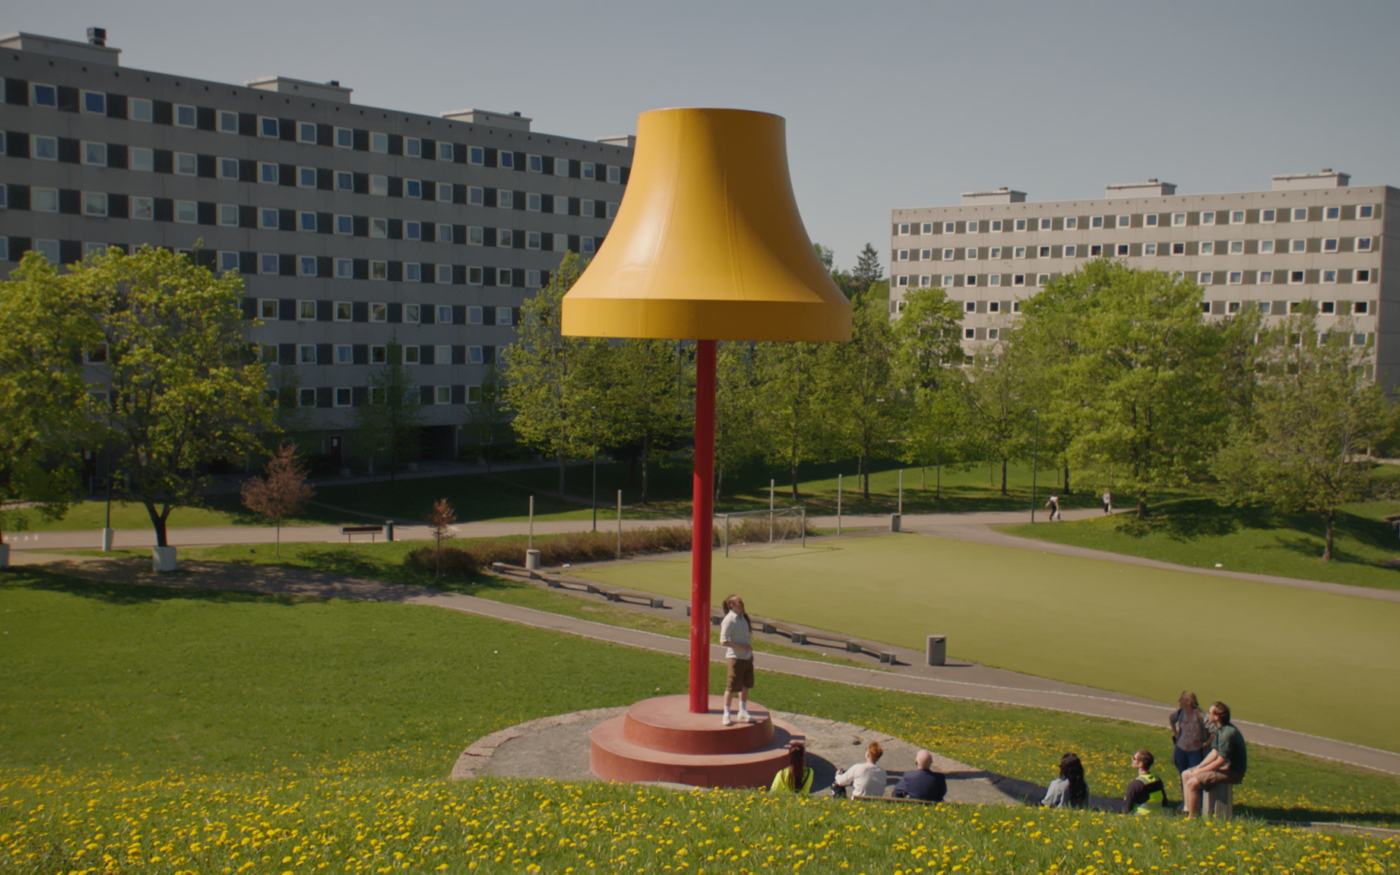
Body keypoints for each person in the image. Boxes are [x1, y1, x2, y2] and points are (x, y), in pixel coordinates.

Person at [1182, 701, 1247, 818]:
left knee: (1192, 783)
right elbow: (1214, 752)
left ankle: (1192, 818)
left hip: (1233, 771)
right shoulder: (1219, 729)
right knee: (1186, 774)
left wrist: (1199, 772)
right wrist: (1200, 767)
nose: (1207, 715)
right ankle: (1187, 810)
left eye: (1209, 712)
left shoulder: (1228, 733)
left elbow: (1220, 761)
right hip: (1223, 767)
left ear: (1217, 717)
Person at [718, 594, 753, 727]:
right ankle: (726, 714)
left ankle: (742, 711)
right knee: (731, 686)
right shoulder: (728, 620)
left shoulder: (743, 617)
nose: (742, 603)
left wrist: (747, 650)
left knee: (745, 684)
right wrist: (741, 647)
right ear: (731, 605)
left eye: (741, 601)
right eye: (739, 602)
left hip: (747, 657)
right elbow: (723, 641)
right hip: (735, 658)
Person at [1169, 691, 1211, 777]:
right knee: (1183, 776)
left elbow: (1213, 731)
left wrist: (1205, 744)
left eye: (1181, 699)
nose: (1179, 700)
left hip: (1194, 751)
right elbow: (1171, 719)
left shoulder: (1200, 716)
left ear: (1189, 702)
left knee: (1195, 776)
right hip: (1181, 749)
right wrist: (1176, 733)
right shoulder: (1181, 712)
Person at [1122, 750, 1170, 815]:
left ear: (1141, 764)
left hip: (1141, 816)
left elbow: (1126, 809)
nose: (1131, 759)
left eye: (1134, 758)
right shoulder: (1157, 779)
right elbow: (1164, 802)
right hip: (1158, 814)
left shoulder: (1136, 784)